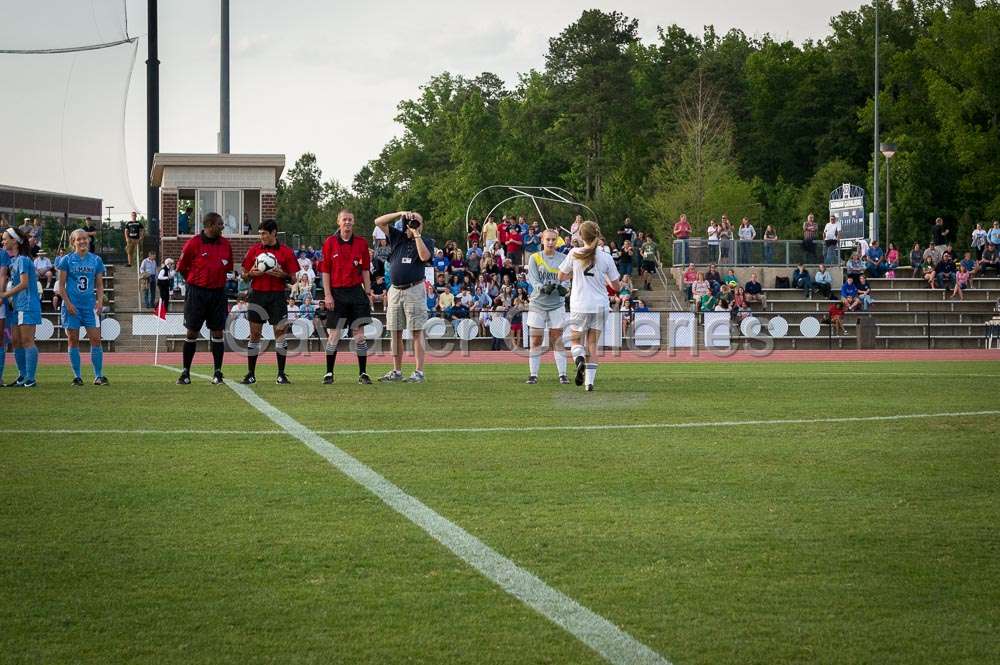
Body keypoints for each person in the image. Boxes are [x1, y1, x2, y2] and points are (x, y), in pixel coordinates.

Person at [557, 220, 621, 392]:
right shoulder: (606, 257)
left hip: (580, 304)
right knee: (593, 344)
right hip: (600, 305)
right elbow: (617, 287)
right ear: (597, 235)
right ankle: (589, 383)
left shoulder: (574, 253)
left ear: (580, 236)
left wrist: (575, 275)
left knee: (576, 340)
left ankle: (579, 361)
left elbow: (560, 276)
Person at [375, 210, 433, 383]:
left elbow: (424, 256)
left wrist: (416, 234)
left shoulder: (426, 241)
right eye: (412, 221)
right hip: (395, 290)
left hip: (414, 289)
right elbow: (379, 221)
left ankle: (418, 372)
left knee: (416, 331)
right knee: (395, 332)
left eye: (418, 221)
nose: (414, 223)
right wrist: (400, 213)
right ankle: (397, 371)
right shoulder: (397, 237)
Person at [175, 212, 233, 385]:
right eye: (220, 224)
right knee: (192, 331)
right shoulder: (193, 243)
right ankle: (185, 373)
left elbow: (228, 267)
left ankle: (218, 372)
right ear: (209, 225)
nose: (223, 227)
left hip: (218, 293)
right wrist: (195, 282)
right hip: (197, 293)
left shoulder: (225, 244)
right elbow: (182, 268)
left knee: (217, 332)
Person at [239, 219, 299, 385]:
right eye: (260, 233)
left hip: (277, 296)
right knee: (255, 335)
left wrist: (283, 275)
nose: (262, 237)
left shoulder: (286, 252)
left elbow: (294, 279)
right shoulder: (254, 250)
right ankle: (250, 374)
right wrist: (251, 273)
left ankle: (281, 374)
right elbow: (243, 275)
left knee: (280, 334)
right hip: (257, 295)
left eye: (264, 233)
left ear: (274, 233)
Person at [318, 210, 373, 385]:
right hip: (336, 294)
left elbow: (365, 270)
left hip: (356, 292)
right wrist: (327, 295)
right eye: (344, 219)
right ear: (338, 222)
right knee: (334, 335)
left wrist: (368, 292)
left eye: (350, 219)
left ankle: (363, 373)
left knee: (360, 335)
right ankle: (328, 373)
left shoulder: (362, 243)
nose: (347, 222)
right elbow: (325, 271)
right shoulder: (329, 243)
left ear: (353, 222)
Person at [56, 228, 108, 385]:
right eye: (79, 239)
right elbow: (61, 285)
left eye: (85, 238)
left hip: (89, 307)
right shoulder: (66, 260)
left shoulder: (96, 260)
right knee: (73, 340)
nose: (82, 241)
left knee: (96, 339)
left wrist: (100, 301)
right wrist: (68, 303)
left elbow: (99, 285)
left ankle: (98, 376)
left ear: (89, 240)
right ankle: (77, 377)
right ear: (73, 242)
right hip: (72, 307)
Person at [524, 229, 570, 384]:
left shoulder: (563, 258)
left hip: (556, 304)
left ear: (557, 241)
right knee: (536, 340)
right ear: (542, 240)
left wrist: (564, 288)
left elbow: (566, 280)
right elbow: (533, 279)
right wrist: (542, 288)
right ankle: (533, 375)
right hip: (538, 303)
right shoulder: (534, 258)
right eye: (548, 239)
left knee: (557, 339)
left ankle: (562, 374)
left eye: (553, 239)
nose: (550, 242)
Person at [0, 228, 41, 387]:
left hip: (27, 304)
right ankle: (22, 375)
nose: (3, 242)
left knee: (27, 341)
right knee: (16, 341)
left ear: (15, 241)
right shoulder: (14, 261)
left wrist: (4, 294)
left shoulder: (23, 260)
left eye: (5, 239)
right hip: (17, 306)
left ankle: (31, 378)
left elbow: (24, 284)